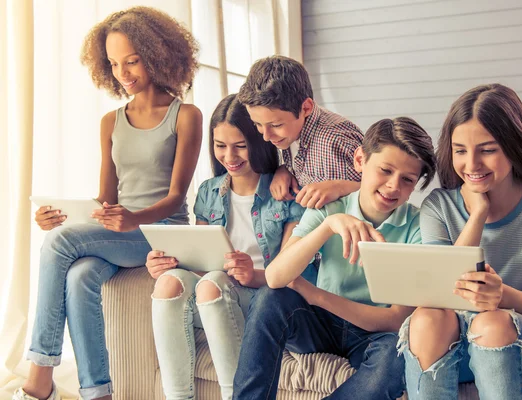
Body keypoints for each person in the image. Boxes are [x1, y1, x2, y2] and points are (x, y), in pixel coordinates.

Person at [14, 7, 202, 400]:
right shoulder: (110, 121)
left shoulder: (185, 115)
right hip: (118, 230)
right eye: (114, 64)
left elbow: (175, 198)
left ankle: (39, 375)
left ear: (157, 54)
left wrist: (133, 219)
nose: (123, 73)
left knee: (59, 244)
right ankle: (97, 392)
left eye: (131, 61)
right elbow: (106, 199)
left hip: (158, 230)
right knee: (80, 274)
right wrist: (62, 216)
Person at [397, 83, 522, 400]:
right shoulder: (438, 207)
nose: (472, 165)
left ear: (514, 145)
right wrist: (478, 214)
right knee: (427, 318)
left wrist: (499, 296)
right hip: (456, 344)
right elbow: (444, 292)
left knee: (493, 324)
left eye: (487, 149)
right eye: (460, 150)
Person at [233, 117, 437, 400]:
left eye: (407, 180)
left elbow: (395, 319)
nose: (393, 186)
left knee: (397, 355)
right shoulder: (329, 208)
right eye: (385, 170)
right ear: (359, 160)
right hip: (320, 326)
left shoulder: (418, 228)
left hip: (374, 335)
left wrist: (317, 296)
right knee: (270, 298)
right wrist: (328, 226)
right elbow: (275, 277)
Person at [146, 94, 305, 400]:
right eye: (220, 145)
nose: (229, 156)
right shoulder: (209, 192)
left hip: (263, 300)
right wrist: (167, 262)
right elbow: (201, 262)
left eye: (240, 145)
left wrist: (254, 275)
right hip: (214, 296)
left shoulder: (285, 192)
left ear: (259, 142)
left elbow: (291, 274)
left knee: (213, 283)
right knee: (169, 283)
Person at [237, 55, 364, 209]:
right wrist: (285, 169)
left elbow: (383, 195)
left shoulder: (335, 140)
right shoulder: (291, 131)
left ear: (306, 108)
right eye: (258, 124)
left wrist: (341, 188)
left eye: (276, 125)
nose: (266, 136)